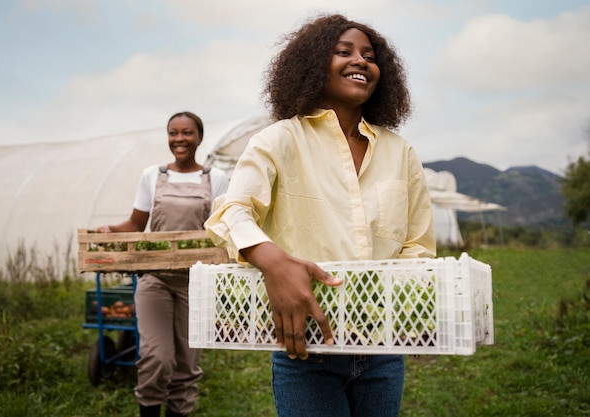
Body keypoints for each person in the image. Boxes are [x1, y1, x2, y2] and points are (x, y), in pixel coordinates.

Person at [204, 14, 436, 417]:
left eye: (369, 55)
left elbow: (416, 244)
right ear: (312, 66)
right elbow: (232, 210)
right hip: (306, 348)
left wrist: (402, 309)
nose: (360, 61)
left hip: (382, 353)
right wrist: (272, 260)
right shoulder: (279, 140)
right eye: (343, 52)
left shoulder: (401, 153)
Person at [95, 111, 229, 417]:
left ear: (199, 137)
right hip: (154, 278)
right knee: (157, 356)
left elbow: (222, 228)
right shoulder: (153, 176)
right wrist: (111, 231)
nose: (179, 139)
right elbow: (136, 223)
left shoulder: (215, 178)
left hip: (195, 282)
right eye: (173, 133)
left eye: (186, 133)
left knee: (186, 363)